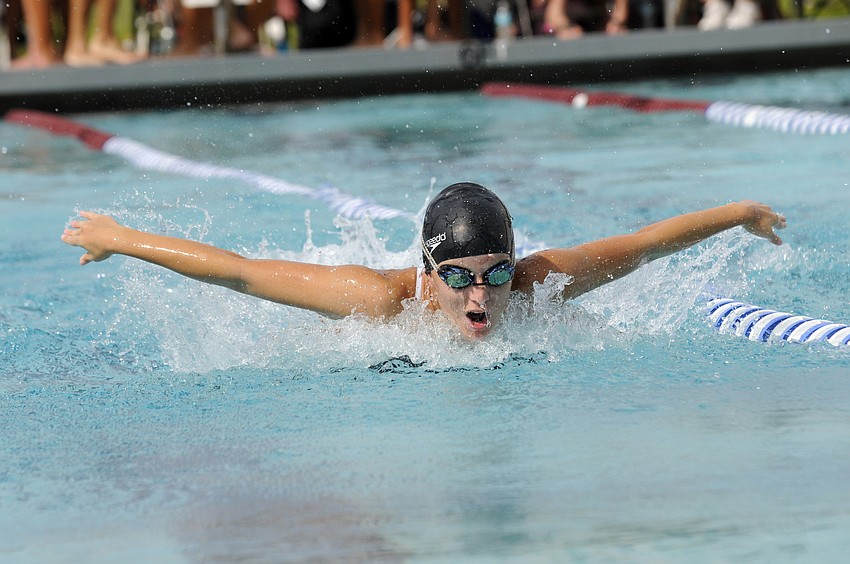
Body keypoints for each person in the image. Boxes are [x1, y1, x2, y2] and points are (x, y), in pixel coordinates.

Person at [61, 182, 786, 340]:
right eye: (462, 278)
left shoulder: (535, 284)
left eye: (496, 273)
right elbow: (242, 271)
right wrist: (121, 237)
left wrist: (739, 214)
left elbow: (646, 243)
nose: (483, 298)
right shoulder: (380, 301)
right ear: (430, 275)